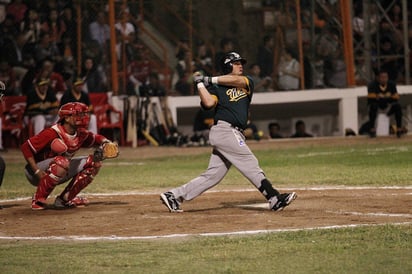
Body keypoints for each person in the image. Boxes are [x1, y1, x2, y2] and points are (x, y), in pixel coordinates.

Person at [160, 52, 297, 213]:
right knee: (249, 162)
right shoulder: (217, 88)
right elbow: (209, 103)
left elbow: (236, 80)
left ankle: (174, 196)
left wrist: (209, 79)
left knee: (213, 175)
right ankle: (274, 198)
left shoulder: (246, 82)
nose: (241, 65)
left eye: (240, 62)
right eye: (236, 63)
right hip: (225, 130)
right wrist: (199, 84)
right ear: (227, 65)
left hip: (234, 133)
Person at [21, 102, 115, 210]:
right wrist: (36, 170)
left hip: (60, 168)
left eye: (83, 114)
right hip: (35, 171)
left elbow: (95, 138)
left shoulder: (80, 133)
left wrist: (106, 142)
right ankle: (38, 200)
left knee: (94, 163)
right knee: (62, 162)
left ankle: (64, 199)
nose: (82, 117)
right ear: (66, 118)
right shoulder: (52, 132)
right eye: (78, 114)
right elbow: (26, 147)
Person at [367, 69, 404, 138]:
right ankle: (372, 129)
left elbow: (396, 96)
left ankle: (399, 129)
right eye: (382, 77)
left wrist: (381, 97)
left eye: (386, 77)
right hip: (377, 107)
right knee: (373, 106)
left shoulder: (391, 84)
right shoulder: (372, 85)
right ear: (378, 78)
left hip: (388, 106)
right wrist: (388, 97)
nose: (384, 79)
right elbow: (371, 96)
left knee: (397, 106)